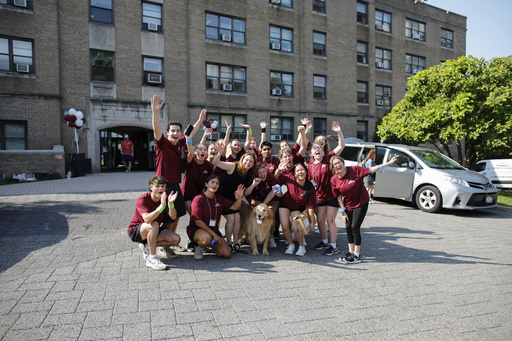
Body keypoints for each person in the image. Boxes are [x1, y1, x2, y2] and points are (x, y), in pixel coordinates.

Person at [150, 94, 205, 257]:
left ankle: (170, 241)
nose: (175, 133)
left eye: (177, 131)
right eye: (172, 131)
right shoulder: (162, 143)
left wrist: (200, 120)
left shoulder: (179, 143)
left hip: (175, 185)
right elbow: (156, 129)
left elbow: (190, 133)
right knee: (167, 218)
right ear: (167, 133)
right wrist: (155, 112)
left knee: (177, 216)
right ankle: (162, 244)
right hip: (163, 186)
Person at [330, 154, 398, 264]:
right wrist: (342, 211)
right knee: (348, 227)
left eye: (339, 162)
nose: (338, 165)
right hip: (348, 205)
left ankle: (357, 255)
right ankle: (351, 252)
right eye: (335, 164)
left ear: (343, 162)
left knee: (355, 227)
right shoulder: (334, 180)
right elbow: (338, 196)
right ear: (333, 168)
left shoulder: (355, 170)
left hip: (361, 202)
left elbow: (372, 169)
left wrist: (388, 163)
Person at [127, 176, 181, 270]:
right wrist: (161, 207)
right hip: (137, 231)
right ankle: (152, 258)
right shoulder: (143, 199)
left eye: (163, 186)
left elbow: (173, 217)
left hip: (153, 229)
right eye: (157, 186)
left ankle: (147, 246)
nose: (160, 188)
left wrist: (171, 204)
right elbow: (147, 219)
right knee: (154, 224)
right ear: (151, 187)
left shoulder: (166, 198)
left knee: (176, 239)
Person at [308, 121, 345, 256]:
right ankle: (324, 242)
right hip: (320, 197)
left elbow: (341, 145)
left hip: (332, 196)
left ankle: (334, 246)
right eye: (314, 148)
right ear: (311, 153)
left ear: (323, 150)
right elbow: (310, 181)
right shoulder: (310, 165)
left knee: (330, 220)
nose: (317, 149)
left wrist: (338, 132)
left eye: (319, 148)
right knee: (320, 221)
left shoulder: (328, 158)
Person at [187, 175, 245, 260]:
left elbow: (235, 207)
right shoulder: (198, 199)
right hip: (197, 229)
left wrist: (239, 196)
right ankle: (199, 247)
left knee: (226, 254)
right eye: (212, 182)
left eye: (217, 183)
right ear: (206, 184)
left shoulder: (219, 198)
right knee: (206, 238)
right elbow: (198, 222)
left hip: (213, 231)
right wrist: (214, 235)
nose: (215, 185)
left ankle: (210, 244)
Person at [213, 141, 257, 252]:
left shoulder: (248, 175)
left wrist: (252, 186)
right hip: (220, 197)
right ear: (242, 159)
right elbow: (216, 163)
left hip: (232, 199)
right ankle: (228, 243)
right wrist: (219, 153)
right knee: (232, 218)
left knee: (237, 218)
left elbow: (245, 192)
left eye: (251, 161)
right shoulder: (233, 166)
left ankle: (236, 243)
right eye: (246, 160)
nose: (248, 162)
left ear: (253, 164)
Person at [275, 162, 316, 256]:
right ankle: (291, 244)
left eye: (302, 170)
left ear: (306, 171)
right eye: (297, 171)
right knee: (285, 227)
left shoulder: (310, 187)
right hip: (285, 203)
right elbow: (276, 177)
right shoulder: (290, 179)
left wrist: (312, 222)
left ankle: (301, 246)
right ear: (294, 173)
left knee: (296, 227)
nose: (300, 172)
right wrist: (279, 169)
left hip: (297, 208)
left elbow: (311, 207)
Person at [244, 163, 280, 248]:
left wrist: (264, 205)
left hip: (272, 199)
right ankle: (259, 235)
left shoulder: (271, 177)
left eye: (264, 172)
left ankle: (271, 237)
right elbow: (246, 193)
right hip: (259, 199)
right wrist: (254, 185)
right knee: (257, 214)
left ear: (266, 171)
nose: (262, 174)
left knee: (271, 215)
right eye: (259, 173)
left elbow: (273, 193)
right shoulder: (254, 179)